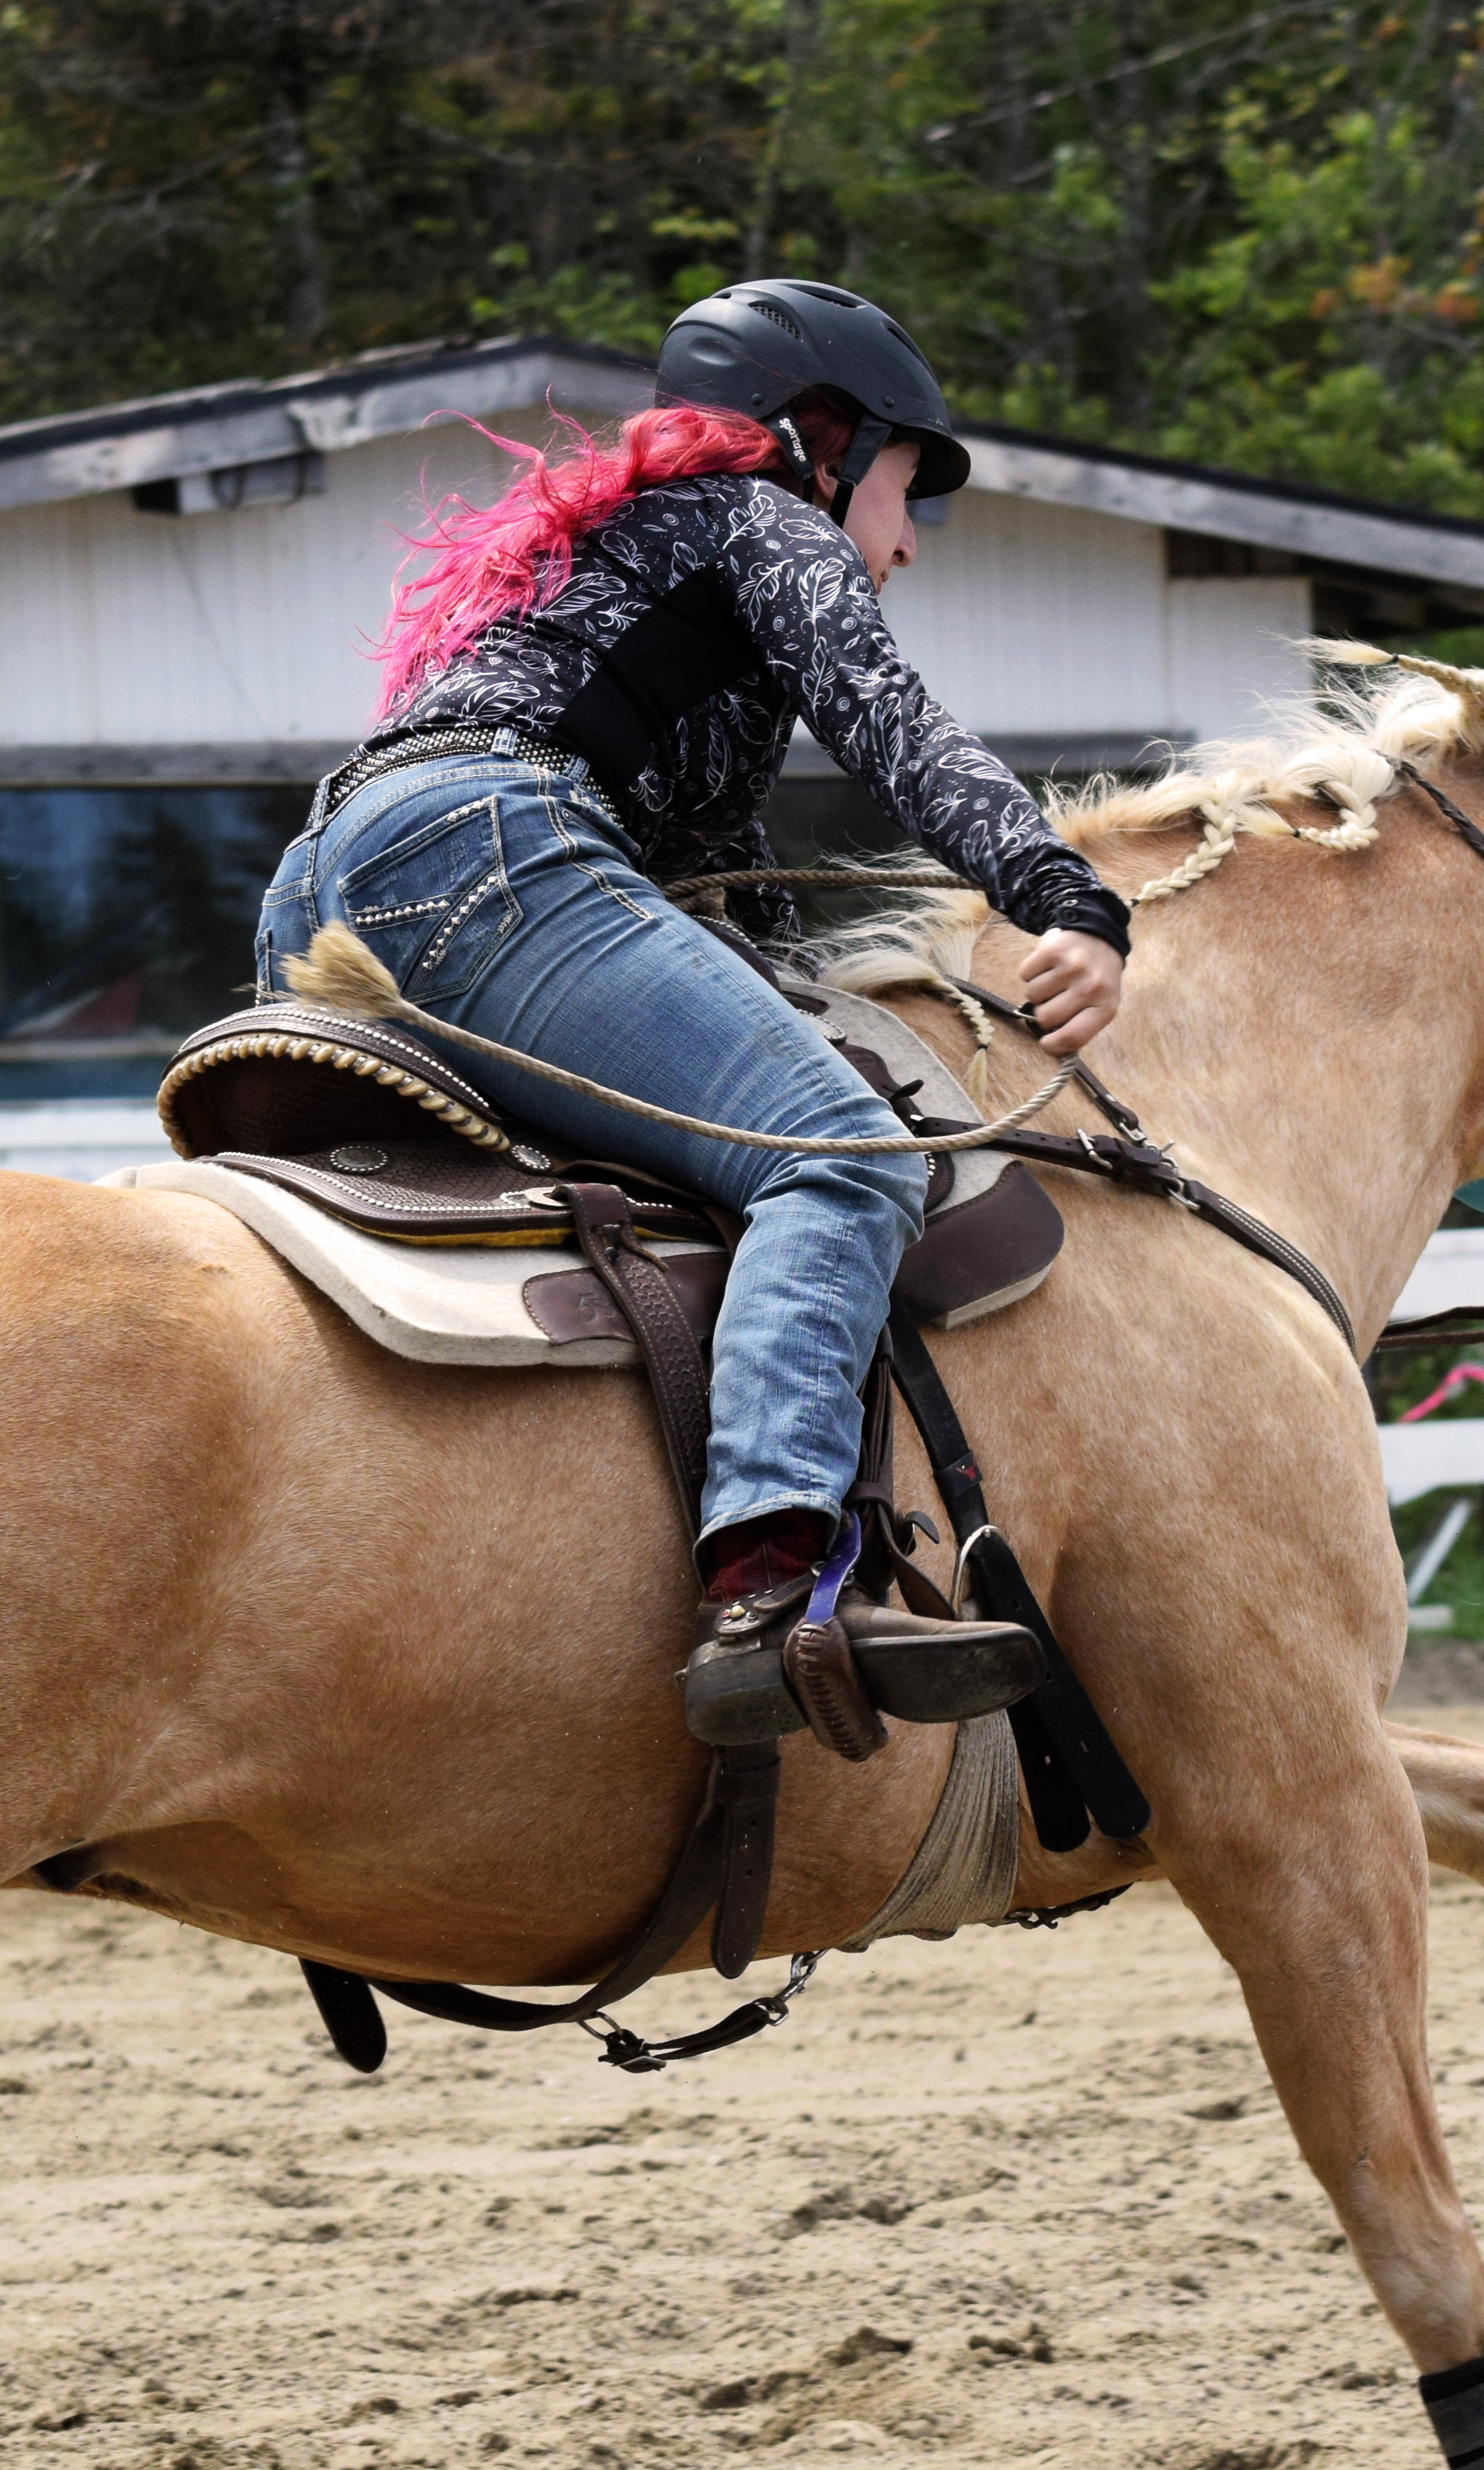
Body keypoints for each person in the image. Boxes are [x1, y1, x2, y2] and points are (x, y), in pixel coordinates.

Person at [253, 280, 1124, 1751]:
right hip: (483, 857)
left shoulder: (608, 571)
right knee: (842, 1162)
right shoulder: (766, 517)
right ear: (826, 439)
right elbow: (893, 727)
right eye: (912, 492)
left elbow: (720, 893)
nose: (907, 544)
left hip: (323, 892)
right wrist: (1068, 897)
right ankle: (774, 1583)